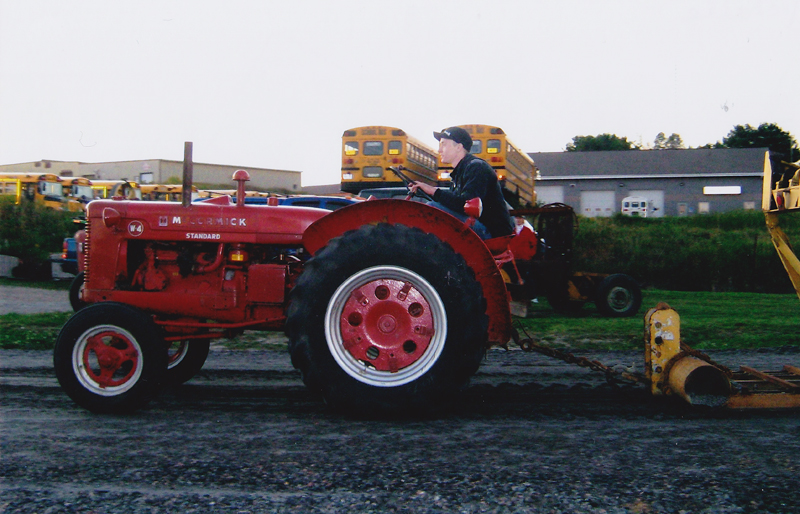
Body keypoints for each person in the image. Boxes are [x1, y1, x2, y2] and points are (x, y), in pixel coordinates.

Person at [409, 126, 514, 240]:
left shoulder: (476, 167)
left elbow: (465, 204)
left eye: (443, 144)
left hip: (491, 233)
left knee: (432, 209)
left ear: (458, 147)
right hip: (483, 227)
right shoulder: (461, 171)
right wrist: (427, 191)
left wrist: (433, 191)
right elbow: (454, 203)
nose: (439, 150)